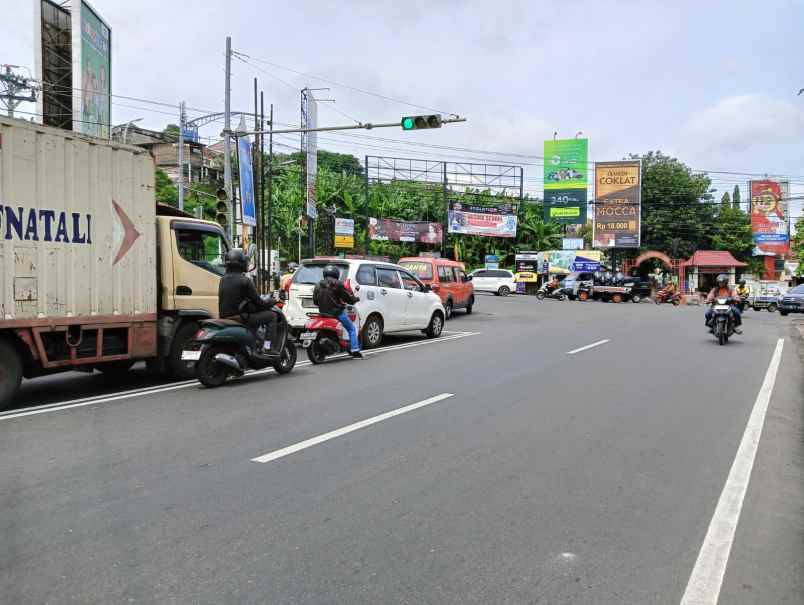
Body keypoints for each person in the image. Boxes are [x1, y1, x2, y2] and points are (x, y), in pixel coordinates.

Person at [218, 249, 280, 354]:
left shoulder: (223, 279)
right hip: (239, 317)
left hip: (225, 316)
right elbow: (260, 303)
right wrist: (272, 301)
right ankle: (268, 347)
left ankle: (255, 341)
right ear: (241, 264)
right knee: (272, 316)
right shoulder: (245, 281)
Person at [313, 265, 362, 359]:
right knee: (352, 328)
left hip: (323, 313)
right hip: (336, 313)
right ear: (336, 274)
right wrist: (355, 299)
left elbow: (315, 301)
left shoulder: (318, 285)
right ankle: (355, 350)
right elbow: (347, 298)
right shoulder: (338, 284)